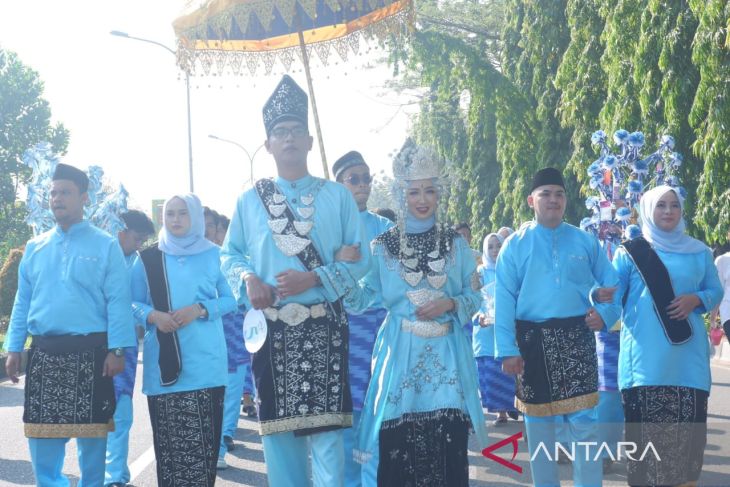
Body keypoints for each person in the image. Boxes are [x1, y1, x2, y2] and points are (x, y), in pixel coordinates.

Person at [220, 75, 370, 486]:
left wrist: (314, 277)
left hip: (324, 323)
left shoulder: (336, 197)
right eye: (279, 132)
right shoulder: (250, 200)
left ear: (309, 141)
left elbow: (363, 261)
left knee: (327, 439)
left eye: (296, 132)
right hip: (272, 329)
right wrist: (249, 278)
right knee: (278, 436)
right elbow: (229, 255)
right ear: (267, 144)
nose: (288, 139)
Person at [344, 139, 487, 486]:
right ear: (400, 196)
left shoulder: (457, 244)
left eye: (429, 191)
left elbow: (475, 296)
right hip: (400, 359)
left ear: (439, 195)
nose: (422, 200)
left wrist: (450, 304)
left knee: (447, 447)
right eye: (413, 193)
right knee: (397, 450)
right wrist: (342, 270)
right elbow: (361, 300)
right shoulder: (382, 247)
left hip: (446, 359)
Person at [4, 163, 136, 486]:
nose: (57, 199)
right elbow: (23, 302)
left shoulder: (105, 245)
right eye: (52, 193)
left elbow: (118, 302)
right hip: (45, 355)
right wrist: (14, 346)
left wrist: (117, 348)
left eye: (65, 192)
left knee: (92, 444)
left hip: (92, 354)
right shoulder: (35, 248)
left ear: (84, 197)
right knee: (42, 441)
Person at [495, 167, 619, 487]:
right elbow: (504, 300)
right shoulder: (515, 245)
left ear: (566, 201)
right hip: (531, 343)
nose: (553, 200)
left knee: (586, 428)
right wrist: (507, 349)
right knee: (540, 432)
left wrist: (604, 314)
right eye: (546, 194)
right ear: (531, 200)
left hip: (576, 338)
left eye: (559, 194)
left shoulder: (584, 241)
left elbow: (612, 285)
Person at [603, 185, 723, 486]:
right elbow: (612, 297)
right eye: (661, 205)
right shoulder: (630, 254)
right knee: (646, 454)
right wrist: (596, 308)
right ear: (647, 210)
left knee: (687, 449)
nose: (668, 211)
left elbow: (714, 289)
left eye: (674, 205)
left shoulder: (699, 252)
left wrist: (695, 300)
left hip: (689, 366)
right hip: (644, 367)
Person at [131, 193, 236, 487]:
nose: (175, 220)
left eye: (182, 213)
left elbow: (233, 297)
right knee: (169, 453)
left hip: (205, 367)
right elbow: (131, 302)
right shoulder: (148, 258)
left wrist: (201, 309)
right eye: (170, 214)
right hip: (164, 368)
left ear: (195, 217)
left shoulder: (214, 254)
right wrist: (153, 316)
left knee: (204, 451)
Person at [333, 150, 394, 487]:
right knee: (347, 422)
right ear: (339, 185)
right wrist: (335, 254)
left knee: (377, 418)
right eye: (353, 178)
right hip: (343, 333)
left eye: (366, 178)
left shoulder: (385, 228)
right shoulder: (326, 227)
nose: (362, 184)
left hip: (381, 331)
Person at [105, 209, 155, 487]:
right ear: (120, 231)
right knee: (92, 417)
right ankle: (100, 474)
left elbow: (140, 304)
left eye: (143, 240)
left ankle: (115, 476)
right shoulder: (99, 257)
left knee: (121, 410)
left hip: (123, 345)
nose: (139, 245)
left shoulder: (138, 263)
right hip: (93, 345)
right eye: (137, 238)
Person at [472, 232, 518, 426]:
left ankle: (510, 406)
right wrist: (478, 317)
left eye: (498, 245)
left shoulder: (511, 270)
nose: (494, 250)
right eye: (490, 246)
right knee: (491, 374)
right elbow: (472, 300)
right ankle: (501, 412)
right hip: (485, 333)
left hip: (506, 330)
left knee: (507, 371)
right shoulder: (479, 273)